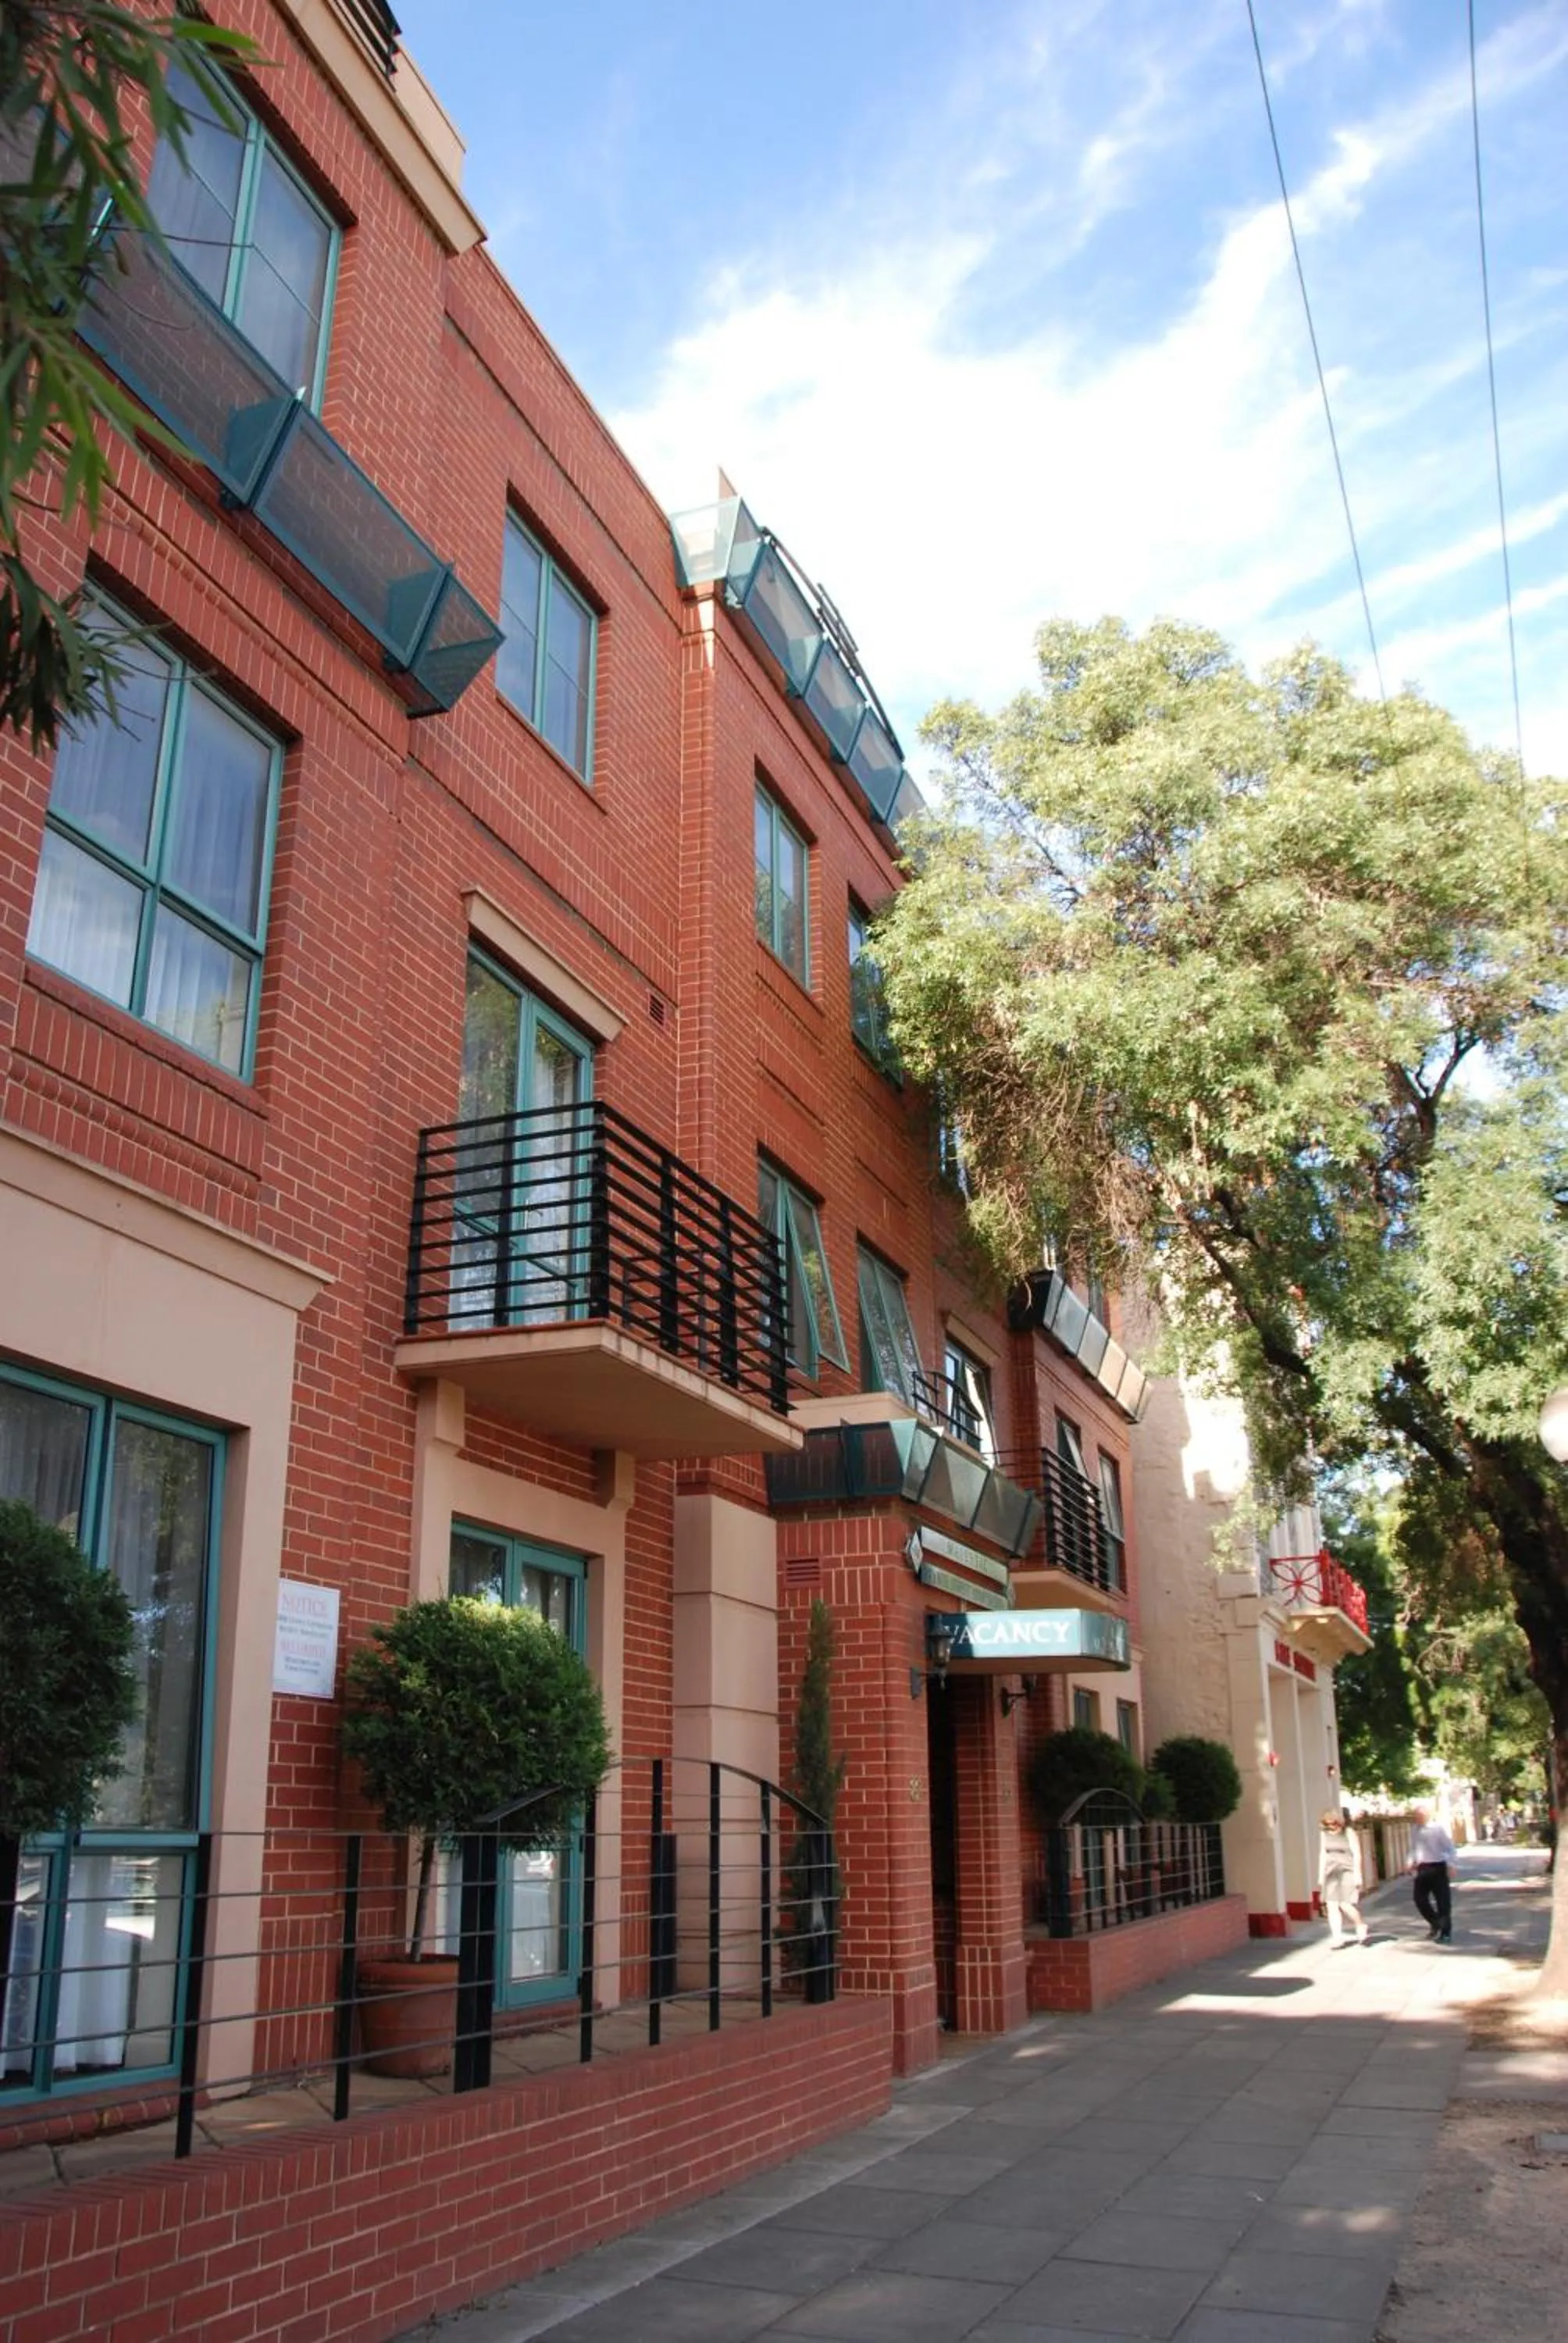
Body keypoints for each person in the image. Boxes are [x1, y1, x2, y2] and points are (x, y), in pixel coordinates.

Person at [1318, 1810, 1368, 1946]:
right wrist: (1320, 1875)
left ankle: (1360, 1925)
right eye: (1327, 1825)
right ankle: (1337, 1937)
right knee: (1331, 1904)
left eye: (1333, 1824)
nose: (1331, 1827)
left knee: (1345, 1904)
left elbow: (1357, 1854)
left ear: (1340, 1822)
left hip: (1347, 1870)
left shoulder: (1348, 1833)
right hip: (1331, 1871)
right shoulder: (1324, 1834)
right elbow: (1323, 1854)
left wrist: (1358, 1874)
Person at [1407, 1806, 1458, 1942]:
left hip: (1438, 1866)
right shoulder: (1414, 1829)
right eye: (1416, 1816)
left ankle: (1446, 1933)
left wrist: (1451, 1865)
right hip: (1422, 1868)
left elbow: (1450, 1848)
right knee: (1419, 1899)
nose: (1417, 1818)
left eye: (1419, 1816)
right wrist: (1410, 1862)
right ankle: (1435, 1922)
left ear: (1427, 1816)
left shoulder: (1438, 1829)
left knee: (1443, 1902)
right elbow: (1413, 1848)